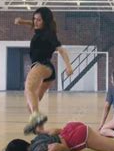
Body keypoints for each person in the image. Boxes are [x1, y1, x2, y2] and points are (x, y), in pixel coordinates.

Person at [14, 7, 73, 135]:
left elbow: (61, 50)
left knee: (28, 88)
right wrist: (22, 22)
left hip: (42, 65)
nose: (35, 22)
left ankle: (36, 116)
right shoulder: (41, 30)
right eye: (34, 19)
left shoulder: (49, 34)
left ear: (45, 21)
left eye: (39, 20)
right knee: (31, 103)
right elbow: (33, 24)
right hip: (48, 71)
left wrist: (69, 67)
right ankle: (42, 132)